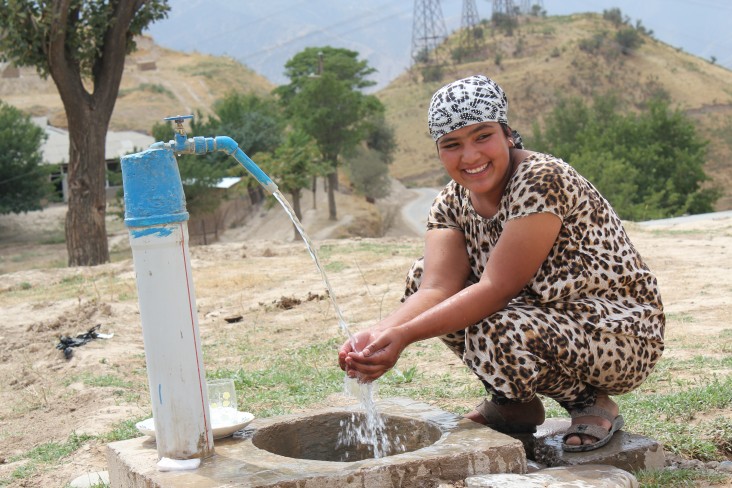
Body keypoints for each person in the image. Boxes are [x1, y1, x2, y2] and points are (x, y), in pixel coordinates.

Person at [338, 74, 665, 452]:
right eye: (452, 144)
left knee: (496, 321)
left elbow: (497, 289)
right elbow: (435, 289)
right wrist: (378, 335)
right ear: (439, 152)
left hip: (618, 330)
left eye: (483, 136)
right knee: (420, 277)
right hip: (544, 318)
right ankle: (514, 404)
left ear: (508, 133)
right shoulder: (451, 202)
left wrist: (404, 337)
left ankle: (590, 403)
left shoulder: (541, 179)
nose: (471, 156)